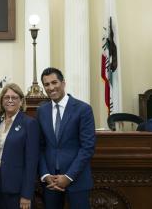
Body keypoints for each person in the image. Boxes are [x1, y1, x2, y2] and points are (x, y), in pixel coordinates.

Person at [37, 67, 95, 209]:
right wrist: (45, 174)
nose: (51, 87)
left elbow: (87, 147)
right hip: (51, 182)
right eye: (46, 84)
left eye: (54, 82)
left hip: (77, 180)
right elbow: (39, 146)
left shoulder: (83, 109)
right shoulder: (41, 111)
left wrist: (68, 177)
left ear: (63, 83)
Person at [0, 83, 40, 209]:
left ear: (21, 101)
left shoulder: (29, 123)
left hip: (17, 187)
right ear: (1, 100)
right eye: (6, 97)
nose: (10, 100)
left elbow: (31, 162)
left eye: (14, 97)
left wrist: (27, 194)